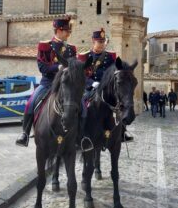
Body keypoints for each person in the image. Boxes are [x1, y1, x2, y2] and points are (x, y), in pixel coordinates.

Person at [16, 16, 76, 147]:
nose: (69, 34)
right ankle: (24, 133)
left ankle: (82, 135)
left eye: (69, 31)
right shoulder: (46, 46)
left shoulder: (72, 48)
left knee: (81, 104)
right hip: (48, 83)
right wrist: (58, 67)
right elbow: (42, 67)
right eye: (67, 31)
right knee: (31, 102)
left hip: (65, 84)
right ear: (59, 30)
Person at [78, 28, 133, 147]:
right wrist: (91, 83)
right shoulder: (84, 56)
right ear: (93, 41)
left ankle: (122, 131)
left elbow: (114, 72)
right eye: (99, 42)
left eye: (103, 42)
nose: (101, 44)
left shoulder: (110, 56)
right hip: (89, 88)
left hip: (105, 88)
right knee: (81, 105)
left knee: (118, 103)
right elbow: (81, 75)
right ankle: (81, 134)